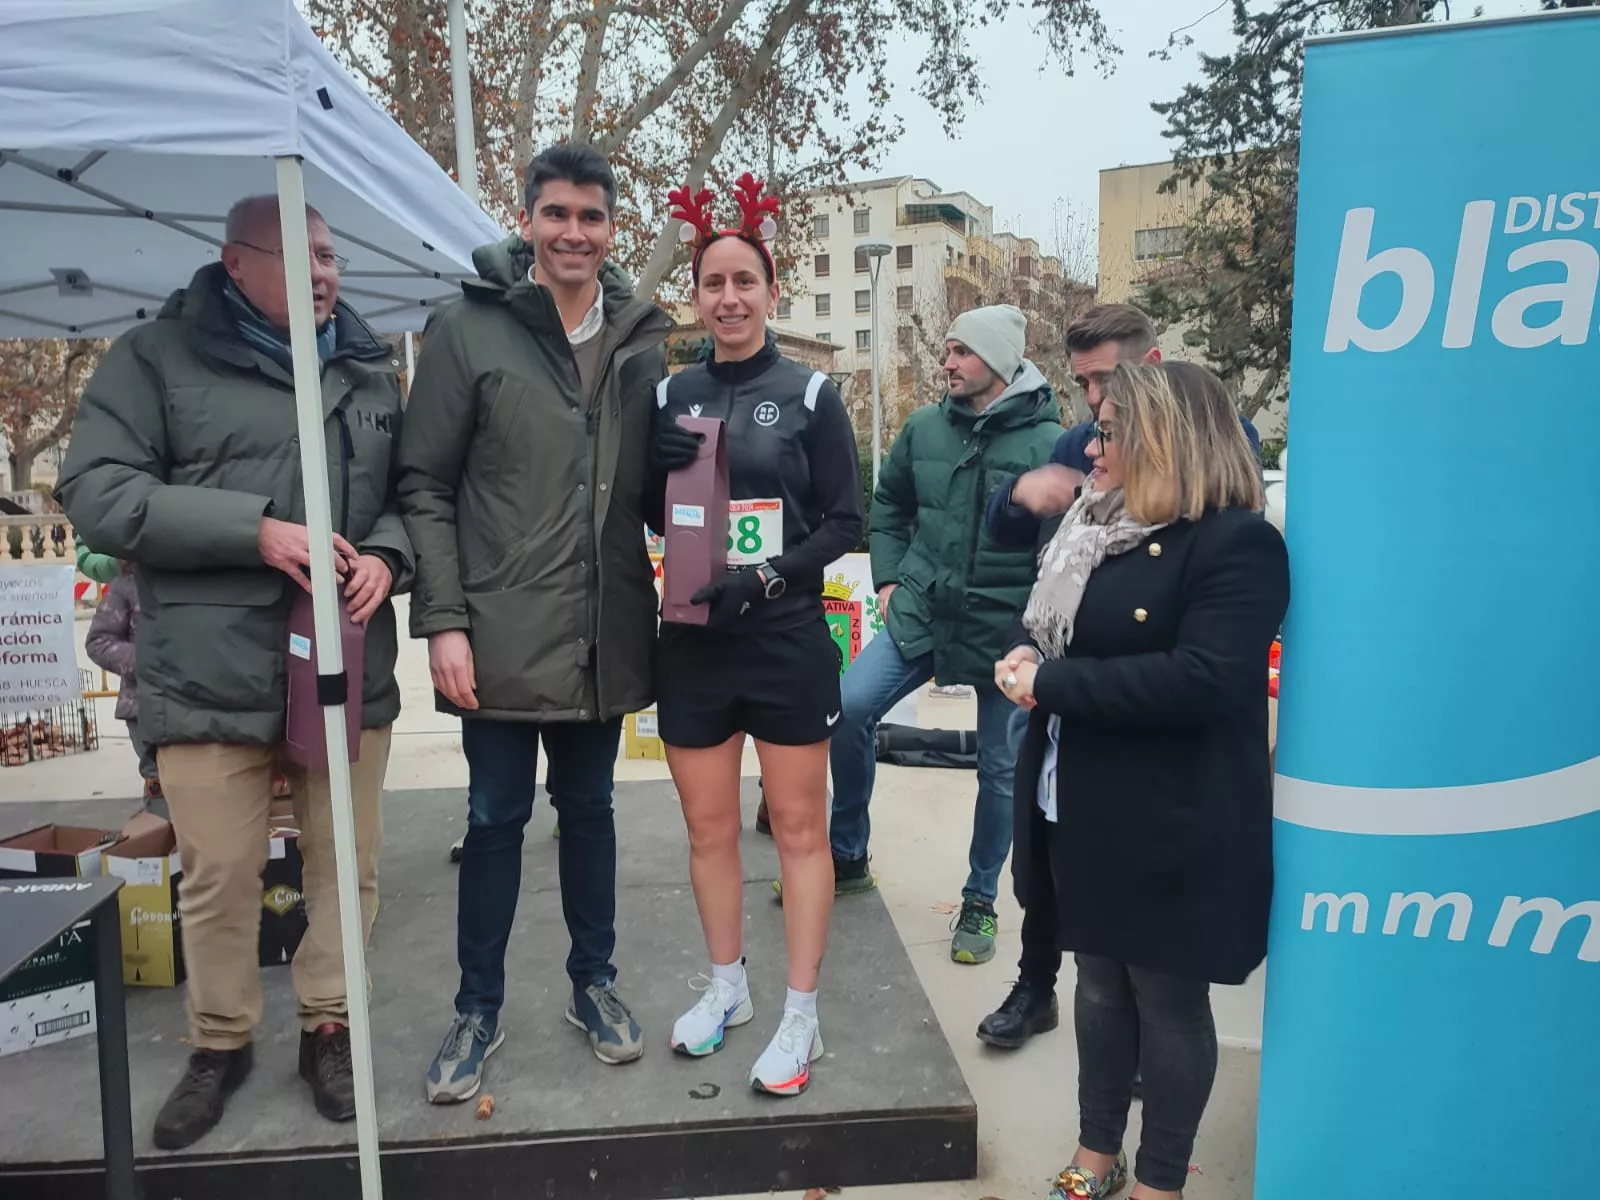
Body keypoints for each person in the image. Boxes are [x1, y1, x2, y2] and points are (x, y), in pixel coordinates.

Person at [55, 194, 412, 1147]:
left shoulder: (373, 372)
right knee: (217, 877)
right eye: (301, 256)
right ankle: (219, 1041)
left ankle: (329, 1026)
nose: (326, 273)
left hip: (342, 663)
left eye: (332, 255)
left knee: (349, 867)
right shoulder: (155, 360)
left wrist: (390, 553)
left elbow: (417, 493)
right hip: (207, 674)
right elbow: (94, 491)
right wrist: (249, 530)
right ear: (236, 263)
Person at [398, 143, 672, 1104]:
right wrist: (444, 622)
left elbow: (657, 491)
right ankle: (478, 1006)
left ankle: (592, 984)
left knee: (592, 815)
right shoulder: (466, 331)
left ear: (609, 229)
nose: (573, 233)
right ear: (527, 221)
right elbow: (423, 484)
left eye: (591, 217)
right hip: (499, 635)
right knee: (493, 819)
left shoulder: (641, 342)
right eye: (556, 213)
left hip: (603, 632)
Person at [992, 361, 1288, 1200]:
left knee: (1165, 998)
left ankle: (1160, 1179)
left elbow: (1202, 678)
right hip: (1075, 800)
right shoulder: (1096, 525)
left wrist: (1050, 684)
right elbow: (1055, 625)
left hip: (1171, 817)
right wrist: (1026, 649)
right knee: (1097, 981)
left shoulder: (1238, 542)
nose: (1091, 442)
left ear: (1166, 438)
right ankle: (1096, 1153)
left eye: (1112, 429)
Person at [649, 175, 863, 1095]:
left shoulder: (810, 391)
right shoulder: (669, 392)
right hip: (694, 640)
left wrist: (769, 575)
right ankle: (729, 988)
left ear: (772, 291)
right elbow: (645, 519)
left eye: (745, 281)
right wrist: (644, 477)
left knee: (798, 829)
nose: (729, 298)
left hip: (781, 635)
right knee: (706, 831)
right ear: (693, 297)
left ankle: (801, 1013)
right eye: (713, 283)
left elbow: (845, 522)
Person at [823, 303, 1062, 966]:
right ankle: (847, 854)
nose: (947, 362)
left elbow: (1064, 548)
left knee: (1000, 769)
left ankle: (981, 900)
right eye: (948, 350)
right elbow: (891, 504)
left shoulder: (1050, 445)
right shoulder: (924, 427)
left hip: (1003, 629)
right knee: (849, 709)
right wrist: (891, 578)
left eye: (962, 351)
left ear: (1000, 361)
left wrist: (1036, 632)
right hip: (922, 609)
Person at [986, 303, 1260, 549]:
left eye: (1107, 378)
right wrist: (1018, 494)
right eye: (1083, 383)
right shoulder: (1076, 445)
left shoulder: (1213, 432)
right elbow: (1011, 536)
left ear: (1152, 362)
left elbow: (1230, 540)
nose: (1093, 396)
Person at [82, 560, 163, 807]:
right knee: (161, 790)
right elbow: (98, 642)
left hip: (206, 708)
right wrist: (150, 661)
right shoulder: (128, 584)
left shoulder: (205, 581)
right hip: (145, 707)